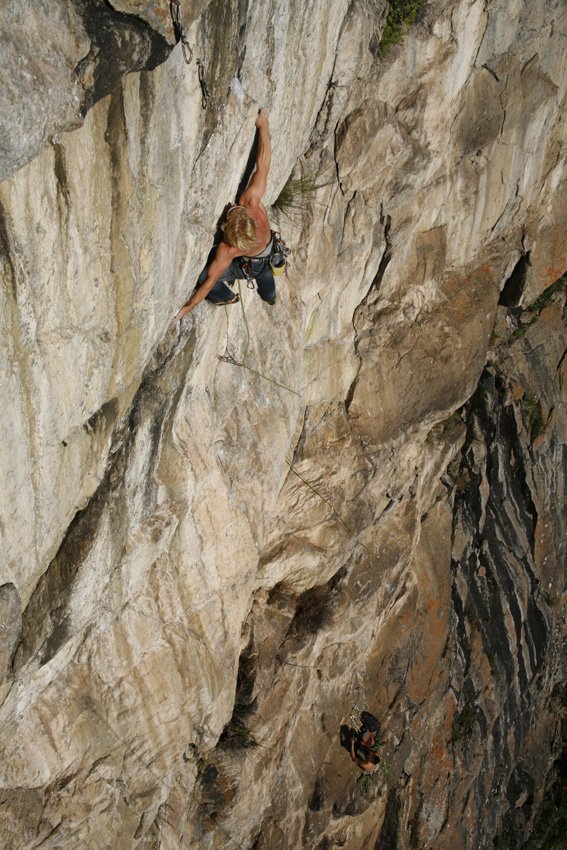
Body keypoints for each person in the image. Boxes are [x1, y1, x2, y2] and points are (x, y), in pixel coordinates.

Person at [175, 108, 276, 319]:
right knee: (267, 281)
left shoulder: (228, 249)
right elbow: (263, 165)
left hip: (254, 262)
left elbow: (208, 283)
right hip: (269, 251)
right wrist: (263, 125)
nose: (230, 206)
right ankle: (270, 297)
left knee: (204, 276)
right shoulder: (252, 202)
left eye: (230, 213)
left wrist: (187, 308)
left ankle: (224, 296)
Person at [339, 710, 381, 774]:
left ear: (371, 761)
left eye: (371, 757)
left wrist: (352, 743)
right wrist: (365, 741)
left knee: (352, 749)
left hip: (366, 765)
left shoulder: (365, 764)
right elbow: (371, 748)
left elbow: (353, 757)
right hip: (368, 752)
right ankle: (363, 725)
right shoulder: (374, 753)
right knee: (370, 741)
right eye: (372, 755)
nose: (371, 755)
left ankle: (356, 742)